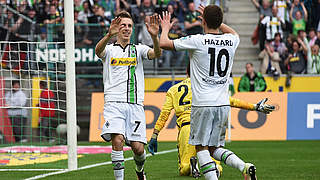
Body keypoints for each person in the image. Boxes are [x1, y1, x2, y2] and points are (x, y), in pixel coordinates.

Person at [159, 5, 257, 180]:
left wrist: (165, 28)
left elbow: (163, 44)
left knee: (200, 148)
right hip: (223, 104)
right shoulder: (231, 40)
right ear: (220, 22)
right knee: (214, 148)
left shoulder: (197, 40)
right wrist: (217, 21)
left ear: (202, 21)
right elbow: (234, 32)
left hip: (203, 104)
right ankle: (244, 167)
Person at [147, 66, 275, 178]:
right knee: (216, 160)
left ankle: (192, 167)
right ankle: (219, 170)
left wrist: (155, 134)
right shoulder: (207, 87)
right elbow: (231, 101)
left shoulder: (173, 90)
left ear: (186, 72)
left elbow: (164, 114)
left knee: (183, 168)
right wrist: (254, 107)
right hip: (206, 125)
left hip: (186, 128)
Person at [95, 11, 161, 180]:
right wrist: (109, 34)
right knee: (117, 140)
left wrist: (154, 37)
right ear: (117, 27)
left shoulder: (138, 49)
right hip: (113, 103)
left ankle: (140, 171)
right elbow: (97, 51)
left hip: (135, 105)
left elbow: (157, 54)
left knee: (138, 149)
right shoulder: (109, 50)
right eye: (123, 25)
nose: (126, 28)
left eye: (129, 26)